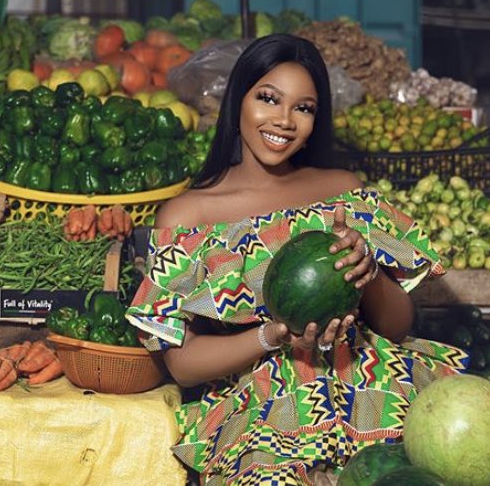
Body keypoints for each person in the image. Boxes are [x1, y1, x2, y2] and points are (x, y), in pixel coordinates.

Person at [126, 34, 468, 485]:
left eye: (303, 108)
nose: (284, 121)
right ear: (238, 102)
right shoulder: (188, 216)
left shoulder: (343, 191)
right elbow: (183, 363)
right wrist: (273, 335)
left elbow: (398, 327)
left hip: (372, 384)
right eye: (268, 98)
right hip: (263, 408)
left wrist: (370, 276)